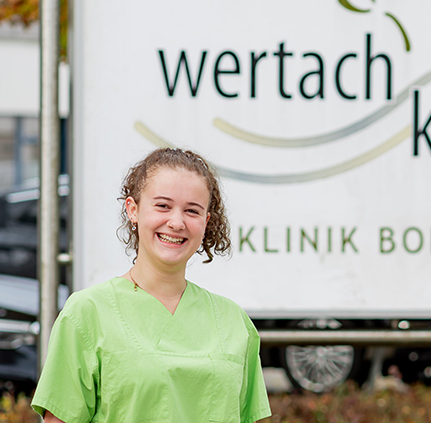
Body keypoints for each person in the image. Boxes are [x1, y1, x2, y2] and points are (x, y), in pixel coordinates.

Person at [31, 148, 272, 422]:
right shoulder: (87, 313)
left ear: (205, 222)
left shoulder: (233, 321)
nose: (176, 222)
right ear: (133, 210)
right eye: (163, 206)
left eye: (192, 211)